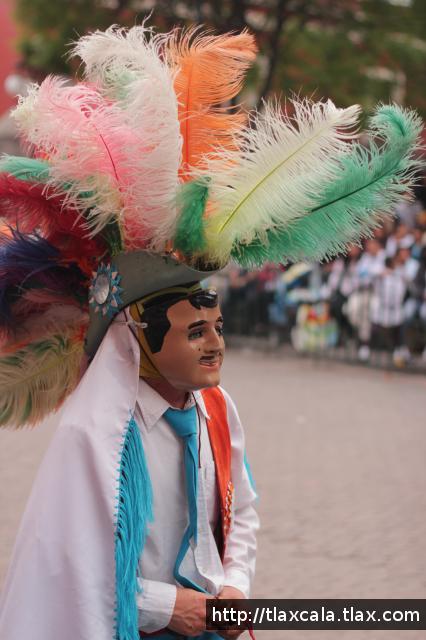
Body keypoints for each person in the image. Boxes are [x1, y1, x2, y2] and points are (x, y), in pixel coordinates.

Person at [0, 23, 422, 640]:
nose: (215, 342)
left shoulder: (215, 411)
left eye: (217, 325)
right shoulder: (99, 434)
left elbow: (241, 510)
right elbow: (72, 567)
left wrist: (234, 589)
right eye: (194, 330)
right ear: (141, 339)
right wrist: (169, 608)